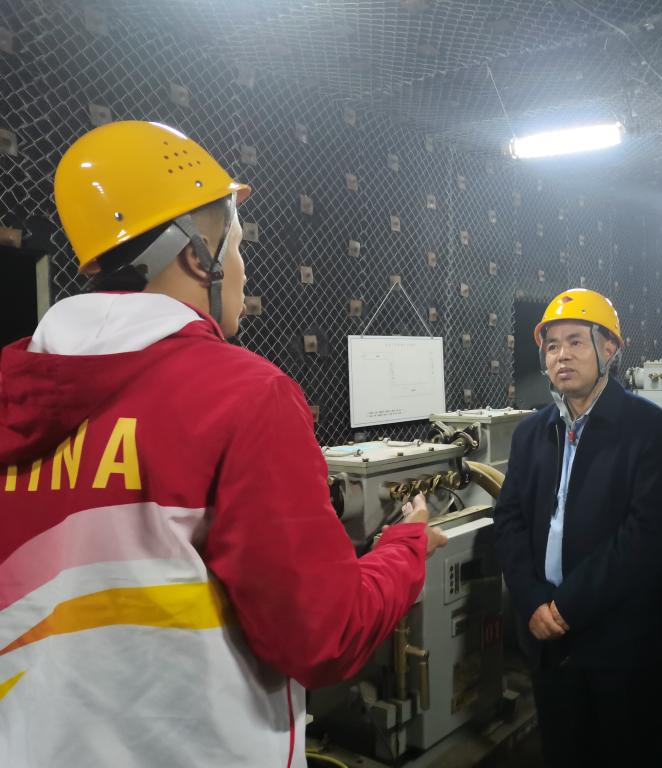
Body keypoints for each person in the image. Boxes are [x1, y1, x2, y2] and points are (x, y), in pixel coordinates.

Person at [0, 120, 447, 767]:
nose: (241, 271)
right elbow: (326, 636)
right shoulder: (245, 395)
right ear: (195, 255)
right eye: (235, 248)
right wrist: (405, 548)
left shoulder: (14, 391)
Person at [493, 288, 662, 768]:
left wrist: (565, 606)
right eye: (552, 345)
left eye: (576, 341)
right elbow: (510, 518)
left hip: (624, 644)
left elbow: (644, 538)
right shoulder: (532, 432)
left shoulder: (652, 430)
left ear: (610, 348)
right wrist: (532, 600)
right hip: (549, 641)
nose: (562, 355)